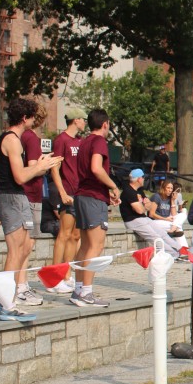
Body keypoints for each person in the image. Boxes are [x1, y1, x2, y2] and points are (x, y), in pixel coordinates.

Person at [0, 98, 63, 317]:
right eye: (32, 116)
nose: (35, 120)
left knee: (24, 248)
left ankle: (7, 296)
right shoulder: (11, 140)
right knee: (15, 251)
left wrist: (43, 164)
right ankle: (5, 303)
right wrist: (41, 165)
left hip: (18, 197)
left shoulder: (16, 139)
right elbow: (20, 176)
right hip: (10, 197)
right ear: (25, 118)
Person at [72, 108, 120, 308]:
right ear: (105, 124)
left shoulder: (83, 142)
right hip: (93, 198)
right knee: (96, 246)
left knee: (84, 246)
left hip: (82, 195)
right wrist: (113, 186)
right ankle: (86, 292)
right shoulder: (99, 141)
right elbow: (96, 168)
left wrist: (106, 190)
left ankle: (78, 289)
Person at [50, 108, 86, 293]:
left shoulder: (80, 141)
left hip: (80, 193)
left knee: (75, 235)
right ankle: (53, 278)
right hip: (67, 192)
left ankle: (66, 275)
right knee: (63, 234)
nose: (85, 122)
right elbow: (54, 169)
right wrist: (62, 192)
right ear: (76, 120)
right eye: (83, 119)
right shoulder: (61, 140)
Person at [119, 170, 186, 256]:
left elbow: (149, 205)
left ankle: (180, 249)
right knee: (155, 237)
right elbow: (140, 210)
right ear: (139, 179)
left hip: (143, 218)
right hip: (133, 221)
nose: (144, 179)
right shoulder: (128, 191)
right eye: (143, 177)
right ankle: (174, 254)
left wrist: (144, 206)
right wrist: (145, 207)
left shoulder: (139, 190)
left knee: (162, 233)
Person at [21, 103, 47, 239]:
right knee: (31, 239)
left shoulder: (22, 135)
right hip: (31, 194)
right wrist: (46, 165)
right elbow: (33, 166)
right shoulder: (31, 137)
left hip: (24, 193)